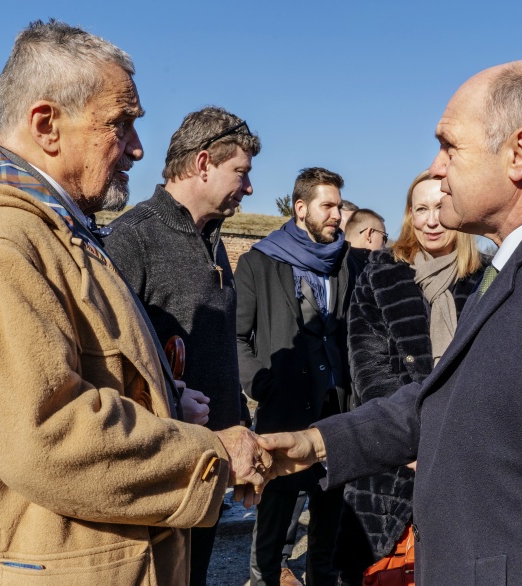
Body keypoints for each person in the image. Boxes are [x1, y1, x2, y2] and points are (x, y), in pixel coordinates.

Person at [0, 20, 271, 585]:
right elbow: (48, 431)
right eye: (121, 123)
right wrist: (205, 455)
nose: (137, 147)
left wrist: (162, 396)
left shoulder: (52, 231)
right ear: (47, 124)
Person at [260, 59, 522, 584]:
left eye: (450, 146)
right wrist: (317, 444)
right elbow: (447, 398)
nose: (436, 167)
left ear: (520, 155)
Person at [103, 105, 261, 585]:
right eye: (241, 172)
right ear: (204, 162)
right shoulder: (133, 238)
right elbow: (107, 361)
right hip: (157, 471)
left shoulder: (211, 240)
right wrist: (168, 402)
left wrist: (240, 427)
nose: (249, 188)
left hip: (207, 465)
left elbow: (218, 348)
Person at [335, 170, 484, 584]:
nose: (431, 220)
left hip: (466, 450)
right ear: (409, 215)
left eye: (440, 206)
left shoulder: (486, 278)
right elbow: (367, 363)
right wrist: (407, 438)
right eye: (421, 209)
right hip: (394, 452)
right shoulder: (381, 273)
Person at [236, 167, 356, 586]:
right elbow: (237, 336)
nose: (337, 216)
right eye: (328, 206)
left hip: (338, 412)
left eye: (339, 207)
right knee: (272, 526)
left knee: (328, 527)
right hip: (283, 412)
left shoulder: (348, 264)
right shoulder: (258, 262)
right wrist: (261, 383)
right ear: (301, 208)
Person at [343, 208, 388, 273]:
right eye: (384, 238)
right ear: (370, 234)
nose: (384, 246)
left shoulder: (334, 262)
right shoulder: (369, 271)